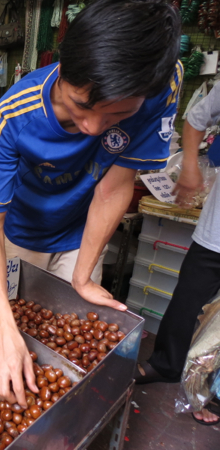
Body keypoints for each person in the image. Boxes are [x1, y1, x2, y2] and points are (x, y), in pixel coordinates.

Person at [0, 0, 182, 408]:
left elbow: (114, 185)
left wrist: (84, 276)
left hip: (82, 232)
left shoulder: (162, 85)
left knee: (70, 357)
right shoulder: (12, 116)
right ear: (63, 68)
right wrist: (2, 327)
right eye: (79, 108)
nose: (91, 129)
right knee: (9, 338)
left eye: (115, 116)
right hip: (19, 234)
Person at [136, 82, 220, 426]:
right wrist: (189, 164)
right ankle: (166, 365)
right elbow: (196, 118)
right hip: (216, 232)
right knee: (187, 301)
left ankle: (210, 391)